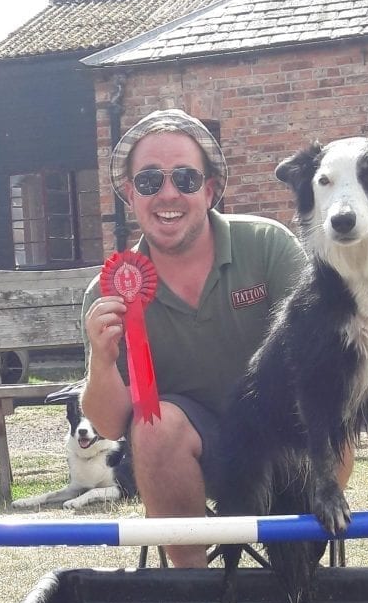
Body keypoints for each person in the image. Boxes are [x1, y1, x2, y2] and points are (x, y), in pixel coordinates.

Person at [81, 109, 308, 568]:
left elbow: (324, 362)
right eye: (149, 181)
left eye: (185, 178)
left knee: (326, 403)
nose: (168, 193)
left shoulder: (269, 247)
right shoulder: (110, 289)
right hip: (194, 451)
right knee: (154, 425)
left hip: (284, 440)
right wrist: (101, 362)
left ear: (210, 188)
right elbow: (107, 426)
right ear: (130, 194)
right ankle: (196, 595)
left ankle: (303, 578)